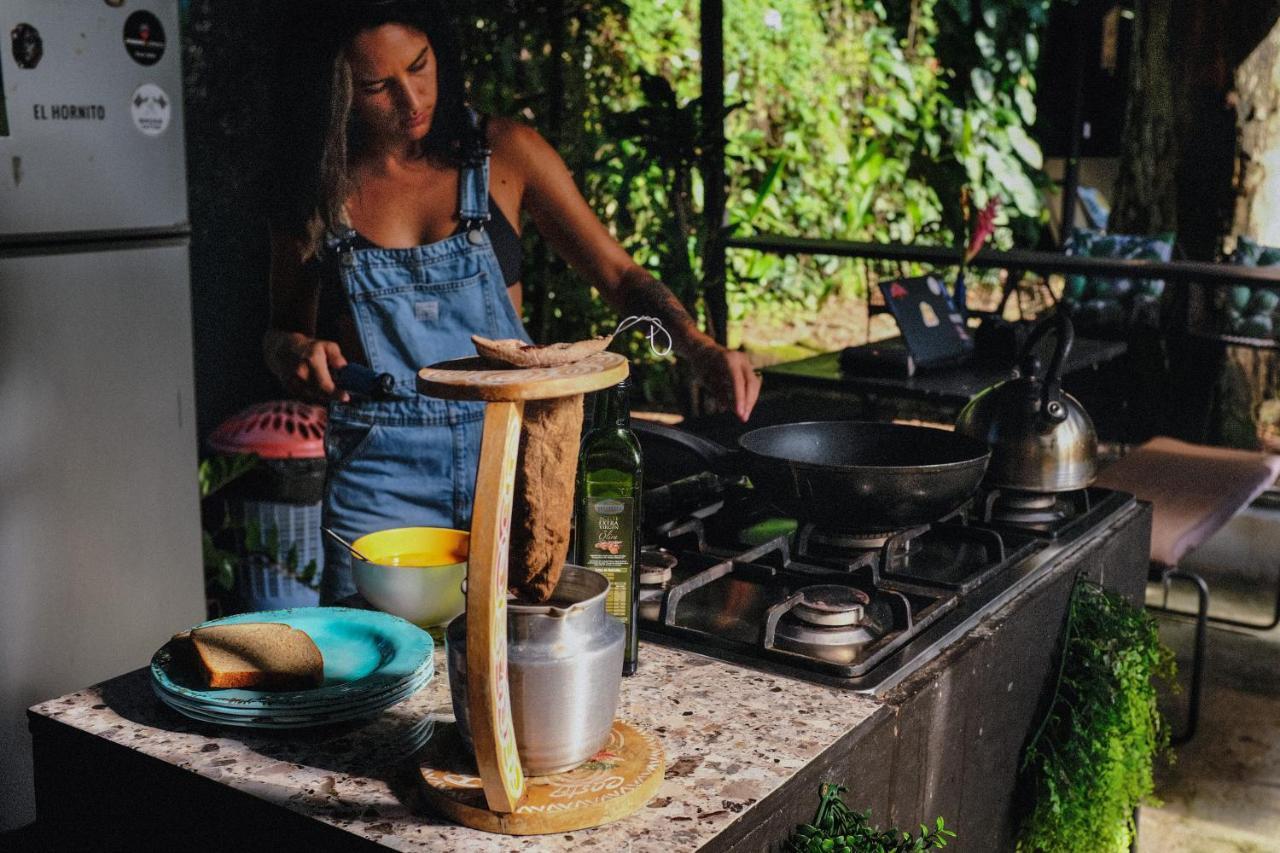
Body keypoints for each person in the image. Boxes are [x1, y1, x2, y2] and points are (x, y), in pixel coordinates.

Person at [262, 0, 760, 603]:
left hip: (519, 456)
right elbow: (281, 332)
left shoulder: (505, 154)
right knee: (383, 662)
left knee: (526, 641)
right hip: (380, 473)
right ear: (337, 90)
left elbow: (619, 275)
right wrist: (294, 352)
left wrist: (699, 347)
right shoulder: (318, 184)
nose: (412, 99)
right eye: (376, 87)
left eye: (420, 67)